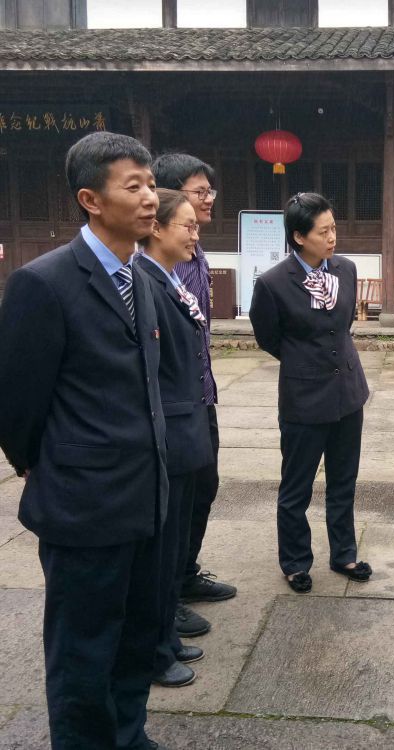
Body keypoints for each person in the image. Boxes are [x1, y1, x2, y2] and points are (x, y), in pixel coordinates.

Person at [0, 132, 170, 750]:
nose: (151, 198)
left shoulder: (140, 277)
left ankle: (128, 734)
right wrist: (43, 465)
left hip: (145, 497)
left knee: (136, 636)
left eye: (152, 184)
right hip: (83, 506)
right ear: (91, 200)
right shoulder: (43, 283)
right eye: (134, 186)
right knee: (82, 652)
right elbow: (16, 403)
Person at [250, 192, 372, 592]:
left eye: (334, 228)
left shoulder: (346, 269)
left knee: (344, 480)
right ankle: (295, 561)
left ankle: (344, 553)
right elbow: (268, 337)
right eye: (323, 232)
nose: (332, 237)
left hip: (348, 391)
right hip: (304, 398)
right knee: (296, 486)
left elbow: (344, 324)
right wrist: (305, 363)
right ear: (299, 237)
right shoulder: (272, 284)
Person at [151, 153, 235, 641]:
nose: (208, 201)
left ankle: (184, 573)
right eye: (199, 192)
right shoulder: (151, 265)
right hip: (171, 403)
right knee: (175, 499)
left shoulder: (195, 252)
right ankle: (166, 597)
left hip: (201, 392)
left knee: (204, 486)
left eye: (209, 191)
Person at [135, 189, 214, 689]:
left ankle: (165, 634)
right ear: (157, 228)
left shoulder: (169, 278)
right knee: (160, 553)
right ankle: (154, 649)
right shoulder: (144, 281)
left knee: (175, 544)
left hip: (186, 429)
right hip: (169, 432)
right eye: (187, 225)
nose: (195, 234)